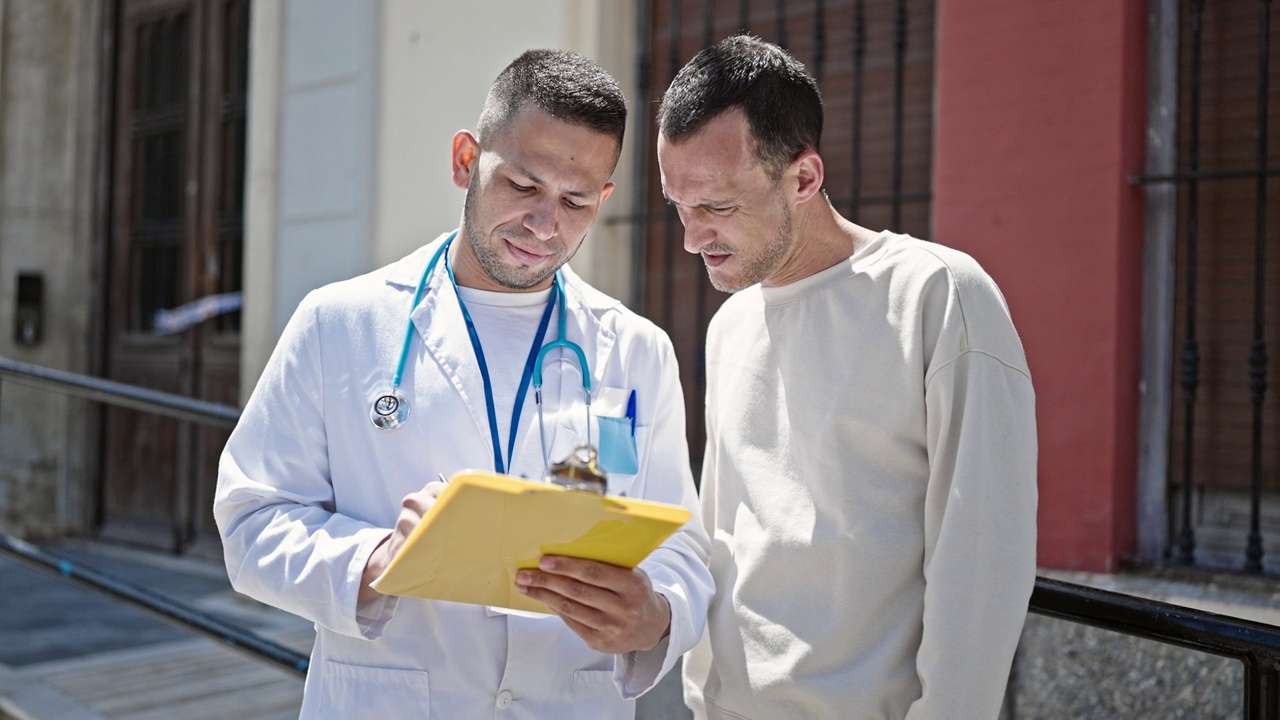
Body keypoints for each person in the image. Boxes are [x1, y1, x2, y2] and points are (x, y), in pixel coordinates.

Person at [215, 49, 712, 719]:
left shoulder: (636, 351)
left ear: (605, 198)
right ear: (465, 160)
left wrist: (654, 616)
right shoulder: (341, 324)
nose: (546, 224)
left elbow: (680, 545)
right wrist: (376, 559)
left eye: (576, 201)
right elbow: (253, 519)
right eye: (522, 186)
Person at [657, 35, 1038, 719]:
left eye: (716, 207)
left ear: (803, 179)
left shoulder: (938, 295)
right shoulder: (730, 325)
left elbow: (982, 559)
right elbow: (724, 533)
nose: (692, 238)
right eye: (679, 207)